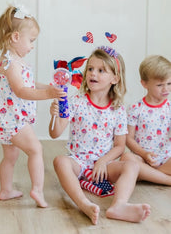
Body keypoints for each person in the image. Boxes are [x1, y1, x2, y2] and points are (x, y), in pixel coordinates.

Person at [49, 46, 151, 225]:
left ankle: (118, 205)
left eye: (101, 70)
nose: (93, 74)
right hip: (78, 163)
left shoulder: (117, 109)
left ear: (115, 79)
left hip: (104, 165)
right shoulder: (76, 102)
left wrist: (103, 161)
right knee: (60, 161)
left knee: (132, 166)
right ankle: (84, 204)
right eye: (90, 69)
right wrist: (55, 115)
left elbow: (120, 146)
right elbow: (55, 133)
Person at [0, 4, 66, 207]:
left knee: (10, 156)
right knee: (36, 149)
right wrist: (47, 94)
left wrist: (47, 87)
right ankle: (38, 190)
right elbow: (21, 91)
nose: (32, 46)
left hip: (7, 119)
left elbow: (29, 85)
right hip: (13, 120)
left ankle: (6, 190)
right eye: (31, 41)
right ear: (15, 37)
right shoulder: (10, 63)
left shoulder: (13, 60)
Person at [121, 55, 171, 185]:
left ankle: (148, 174)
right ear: (144, 83)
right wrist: (144, 154)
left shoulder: (169, 107)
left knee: (131, 170)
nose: (166, 89)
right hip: (142, 157)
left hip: (166, 158)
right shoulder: (136, 108)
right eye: (160, 85)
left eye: (169, 83)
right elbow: (128, 139)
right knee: (127, 158)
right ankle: (165, 179)